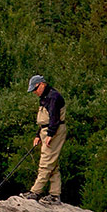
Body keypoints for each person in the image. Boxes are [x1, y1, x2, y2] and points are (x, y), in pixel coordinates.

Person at [24, 74, 67, 202]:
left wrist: (50, 134)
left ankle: (35, 192)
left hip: (54, 131)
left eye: (35, 89)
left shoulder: (53, 97)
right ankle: (55, 194)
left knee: (46, 163)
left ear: (42, 84)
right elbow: (44, 120)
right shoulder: (44, 97)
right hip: (46, 131)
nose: (35, 92)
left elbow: (54, 118)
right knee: (53, 164)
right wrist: (38, 135)